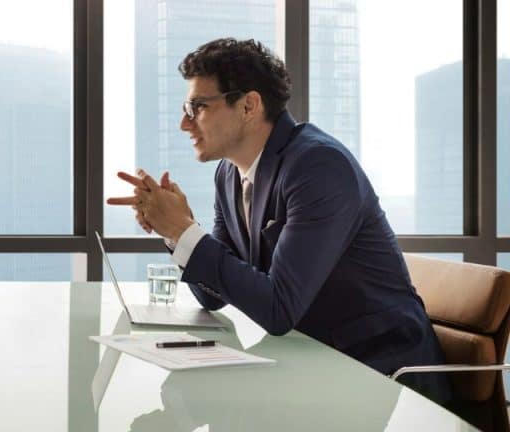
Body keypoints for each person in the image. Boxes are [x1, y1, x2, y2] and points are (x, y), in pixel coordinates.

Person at [108, 38, 450, 404]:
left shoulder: (318, 166)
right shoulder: (228, 174)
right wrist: (177, 232)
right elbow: (211, 297)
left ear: (248, 105)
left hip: (378, 371)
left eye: (198, 107)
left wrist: (182, 229)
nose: (184, 123)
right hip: (308, 360)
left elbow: (278, 309)